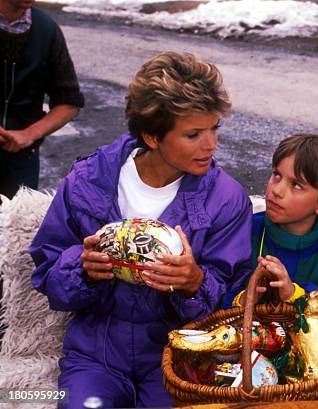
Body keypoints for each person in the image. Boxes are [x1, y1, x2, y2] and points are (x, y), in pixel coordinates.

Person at [29, 52, 252, 408]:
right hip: (95, 355)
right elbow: (47, 277)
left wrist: (194, 282)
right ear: (151, 136)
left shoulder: (226, 199)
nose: (210, 145)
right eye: (193, 134)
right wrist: (82, 269)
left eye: (214, 128)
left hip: (179, 359)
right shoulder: (88, 181)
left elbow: (235, 304)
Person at [225, 133, 318, 326]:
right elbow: (218, 293)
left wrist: (295, 295)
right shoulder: (246, 231)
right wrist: (245, 298)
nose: (276, 190)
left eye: (296, 185)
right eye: (277, 175)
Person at [0, 0, 84, 199]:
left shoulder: (46, 30)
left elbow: (69, 102)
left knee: (17, 227)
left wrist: (29, 134)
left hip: (21, 161)